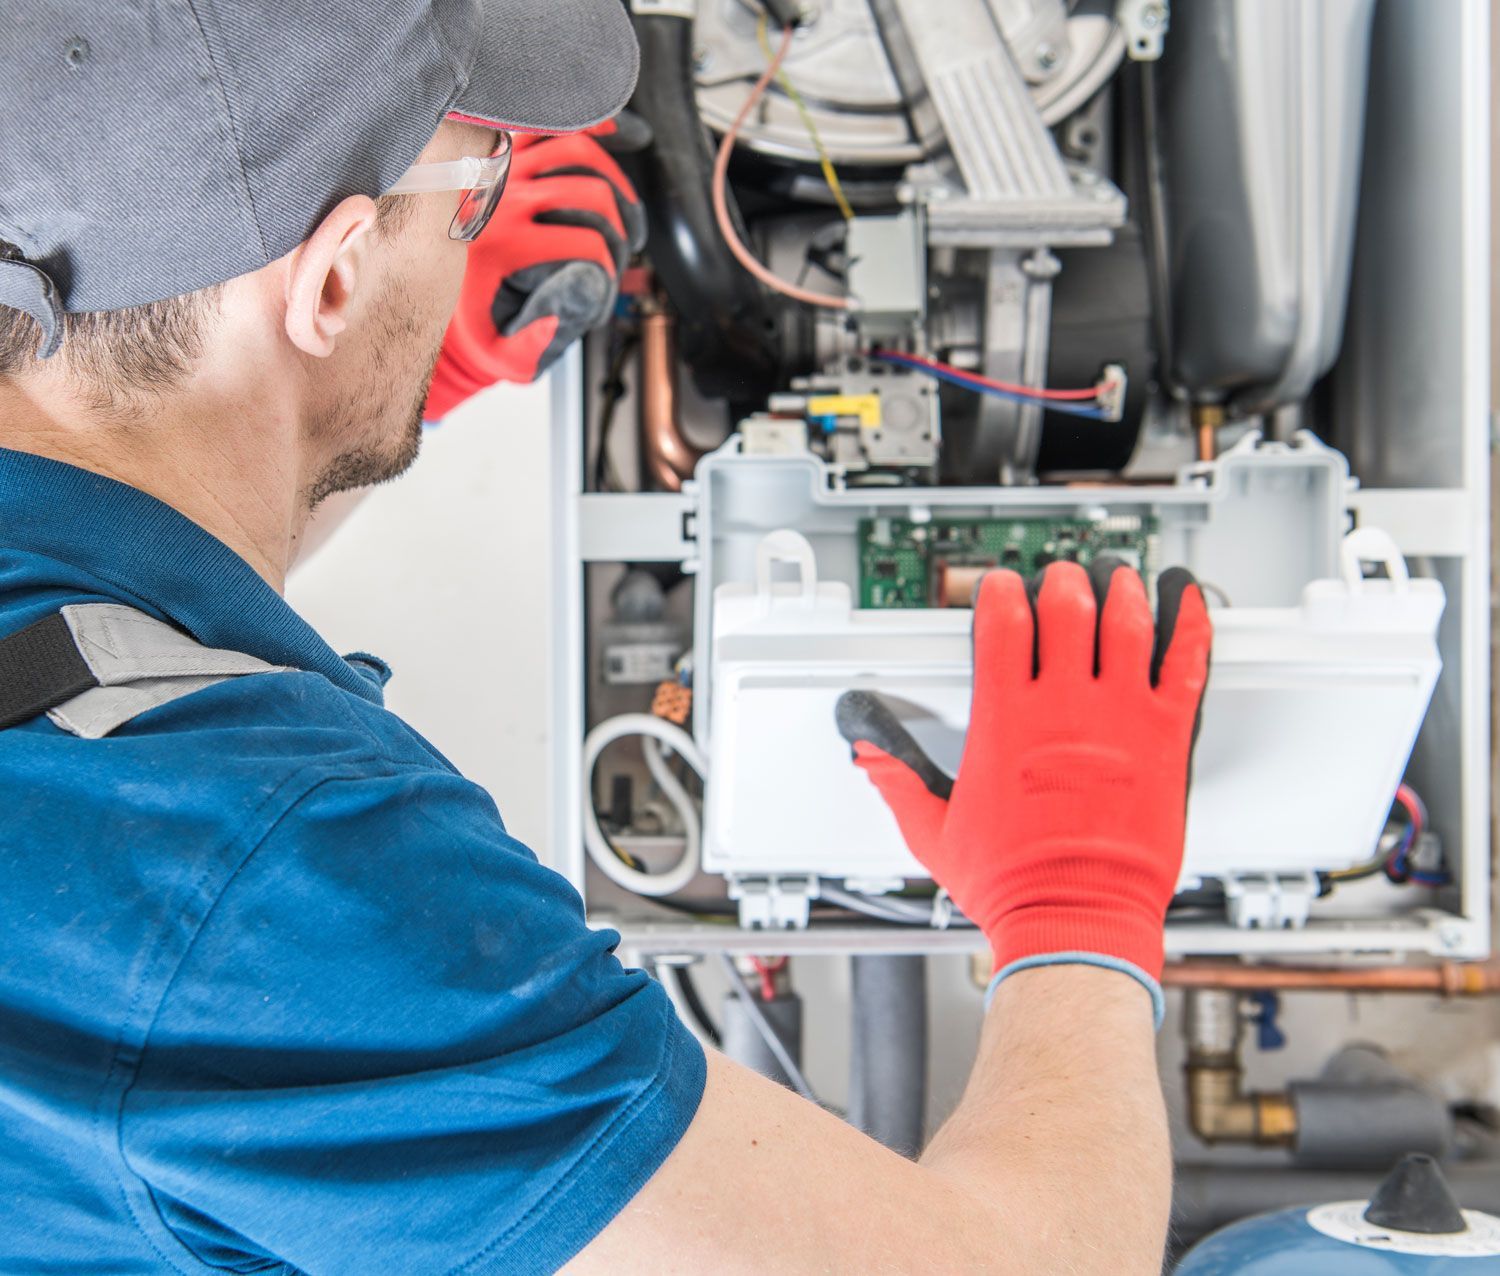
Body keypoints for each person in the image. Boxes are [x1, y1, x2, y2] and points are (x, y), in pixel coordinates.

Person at [0, 3, 1212, 1273]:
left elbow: (105, 626)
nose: (485, 231)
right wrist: (1078, 901)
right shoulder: (272, 888)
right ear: (334, 279)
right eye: (476, 192)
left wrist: (365, 391)